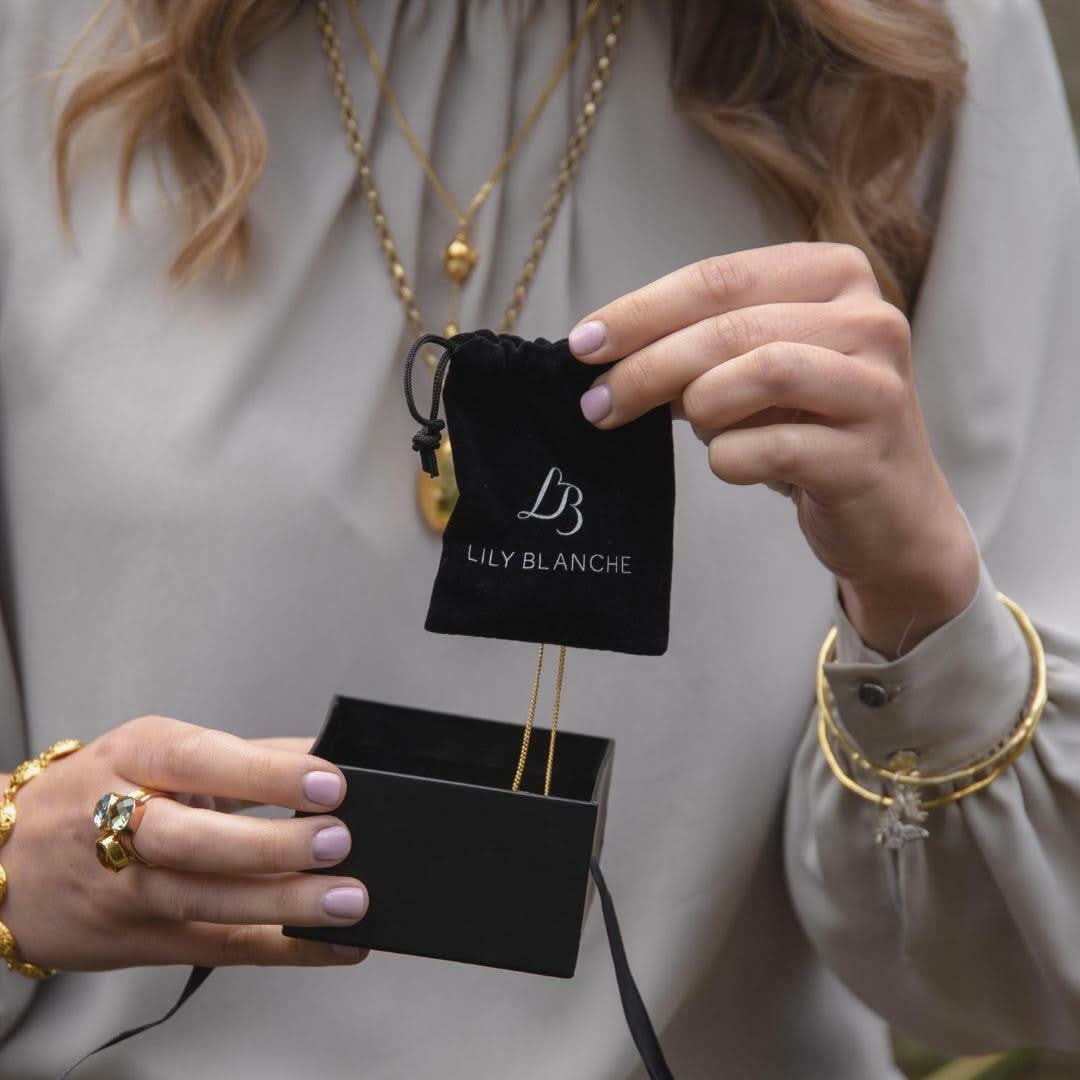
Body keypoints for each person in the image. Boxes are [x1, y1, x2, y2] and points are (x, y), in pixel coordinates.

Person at [0, 0, 1077, 1076]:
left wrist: (922, 608)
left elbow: (1015, 980)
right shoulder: (43, 41)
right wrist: (10, 872)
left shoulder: (924, 43)